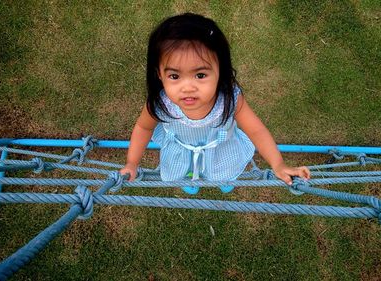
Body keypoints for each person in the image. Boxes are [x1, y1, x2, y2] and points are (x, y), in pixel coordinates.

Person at [120, 13, 310, 194]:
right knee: (185, 171)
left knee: (224, 174)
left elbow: (256, 130)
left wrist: (278, 164)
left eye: (200, 75)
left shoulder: (229, 100)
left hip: (221, 152)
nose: (188, 87)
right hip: (182, 151)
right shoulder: (160, 103)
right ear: (160, 74)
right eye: (174, 76)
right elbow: (143, 128)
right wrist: (132, 163)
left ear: (220, 71)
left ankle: (224, 179)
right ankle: (189, 176)